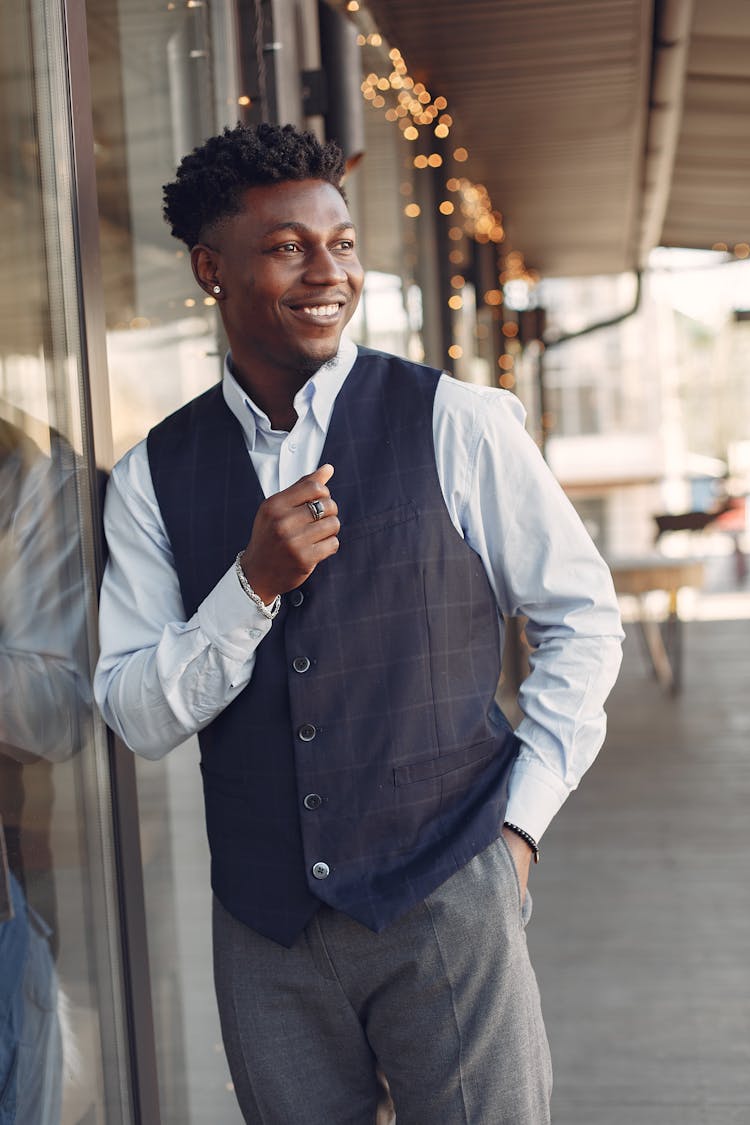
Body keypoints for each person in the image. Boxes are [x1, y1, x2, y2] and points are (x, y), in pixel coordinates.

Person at [94, 122, 624, 1124]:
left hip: (447, 896)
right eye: (288, 246)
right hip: (266, 932)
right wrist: (249, 588)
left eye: (340, 243)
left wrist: (517, 829)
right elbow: (133, 713)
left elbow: (582, 623)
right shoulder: (151, 477)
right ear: (212, 269)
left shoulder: (457, 421)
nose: (325, 271)